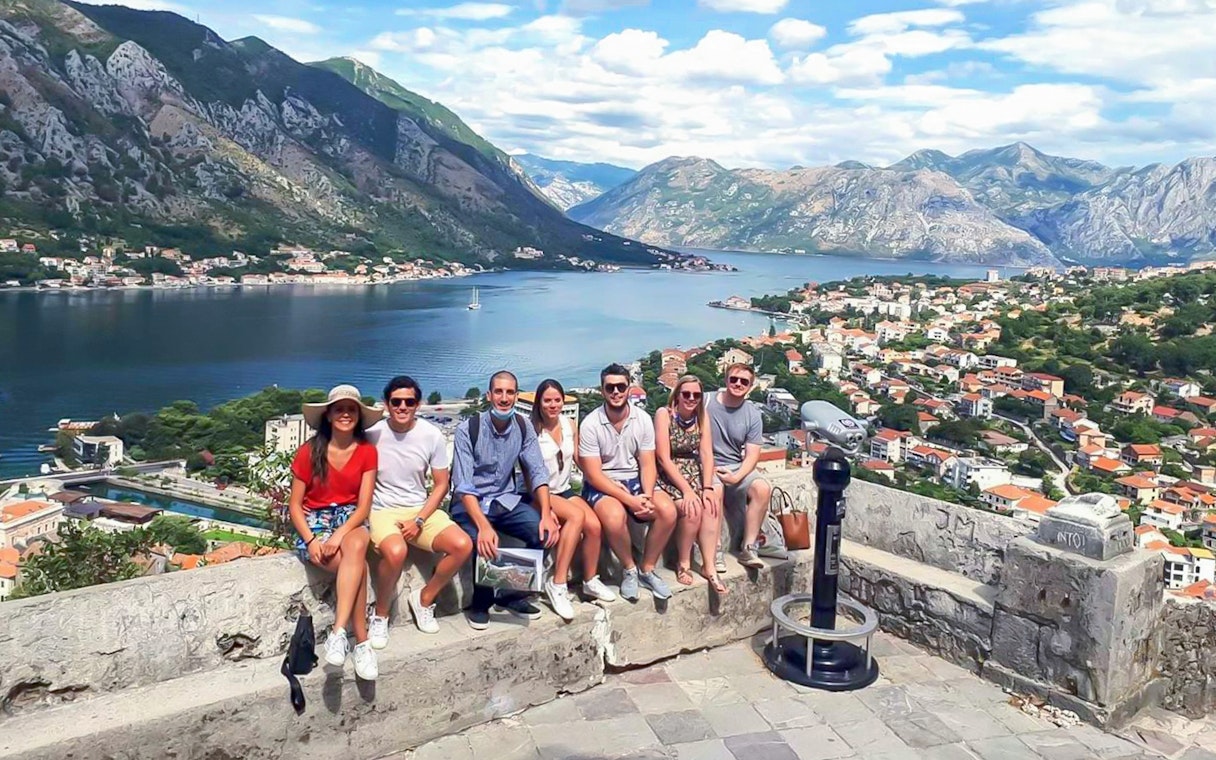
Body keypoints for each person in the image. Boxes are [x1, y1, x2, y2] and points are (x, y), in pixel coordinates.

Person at [366, 376, 474, 646]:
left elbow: (441, 484)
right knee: (396, 551)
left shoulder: (431, 435)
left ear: (418, 404)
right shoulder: (372, 435)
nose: (403, 407)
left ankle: (425, 599)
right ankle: (380, 615)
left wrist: (419, 519)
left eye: (409, 402)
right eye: (396, 402)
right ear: (386, 404)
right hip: (383, 510)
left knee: (462, 545)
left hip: (419, 508)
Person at [451, 370, 561, 630]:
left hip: (504, 499)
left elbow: (537, 472)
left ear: (515, 395)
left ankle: (511, 595)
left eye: (509, 392)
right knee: (483, 541)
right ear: (489, 395)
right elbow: (464, 485)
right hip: (470, 504)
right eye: (498, 392)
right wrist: (484, 526)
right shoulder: (469, 429)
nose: (504, 398)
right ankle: (481, 602)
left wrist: (546, 512)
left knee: (542, 532)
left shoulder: (523, 427)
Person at [287, 384, 383, 681]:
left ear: (358, 415)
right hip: (314, 521)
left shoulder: (367, 452)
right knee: (358, 569)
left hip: (349, 520)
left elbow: (363, 506)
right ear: (328, 415)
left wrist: (339, 534)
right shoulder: (309, 452)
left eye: (351, 409)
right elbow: (295, 505)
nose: (345, 414)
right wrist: (312, 540)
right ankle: (362, 642)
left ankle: (339, 632)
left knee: (355, 546)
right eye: (339, 409)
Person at [579, 363, 676, 601]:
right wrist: (630, 501)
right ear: (602, 390)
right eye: (610, 387)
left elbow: (647, 463)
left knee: (668, 511)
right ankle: (629, 568)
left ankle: (647, 568)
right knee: (613, 517)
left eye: (620, 386)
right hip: (604, 482)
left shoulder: (642, 419)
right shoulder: (591, 424)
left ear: (628, 388)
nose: (615, 392)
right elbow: (593, 474)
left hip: (634, 479)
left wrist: (648, 495)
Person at [530, 379, 617, 620]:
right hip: (541, 492)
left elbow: (579, 458)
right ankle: (557, 584)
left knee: (594, 525)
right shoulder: (531, 431)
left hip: (565, 489)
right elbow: (529, 475)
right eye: (547, 400)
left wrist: (605, 482)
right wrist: (546, 512)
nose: (553, 405)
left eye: (557, 400)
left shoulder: (569, 424)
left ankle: (589, 579)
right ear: (539, 402)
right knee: (577, 517)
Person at [655, 374, 726, 594]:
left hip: (694, 469)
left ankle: (710, 565)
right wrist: (686, 490)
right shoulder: (664, 415)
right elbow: (663, 457)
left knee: (712, 504)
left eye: (696, 395)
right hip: (671, 472)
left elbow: (706, 453)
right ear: (677, 395)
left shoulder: (701, 417)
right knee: (692, 509)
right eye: (686, 394)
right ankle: (684, 562)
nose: (691, 398)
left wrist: (706, 487)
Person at [707, 362, 778, 569]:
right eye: (734, 379)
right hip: (707, 465)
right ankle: (715, 550)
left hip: (735, 466)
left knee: (762, 489)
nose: (738, 384)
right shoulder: (706, 402)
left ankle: (749, 548)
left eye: (744, 381)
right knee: (715, 490)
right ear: (726, 380)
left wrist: (737, 477)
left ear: (750, 386)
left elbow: (752, 455)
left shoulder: (752, 414)